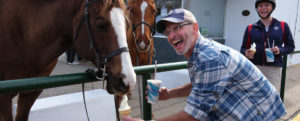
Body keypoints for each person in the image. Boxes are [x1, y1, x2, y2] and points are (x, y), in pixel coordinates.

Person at [122, 8, 286, 121]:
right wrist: (169, 94)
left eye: (177, 27)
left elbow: (192, 117)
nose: (171, 36)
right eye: (167, 32)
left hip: (259, 115)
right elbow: (199, 85)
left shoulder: (208, 57)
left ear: (194, 27)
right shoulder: (198, 52)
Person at [240, 0, 295, 92]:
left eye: (267, 5)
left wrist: (280, 50)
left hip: (273, 69)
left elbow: (291, 46)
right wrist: (246, 52)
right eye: (260, 6)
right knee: (254, 95)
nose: (263, 8)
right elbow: (243, 48)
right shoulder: (250, 27)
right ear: (257, 9)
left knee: (271, 96)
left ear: (272, 7)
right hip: (254, 67)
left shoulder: (282, 25)